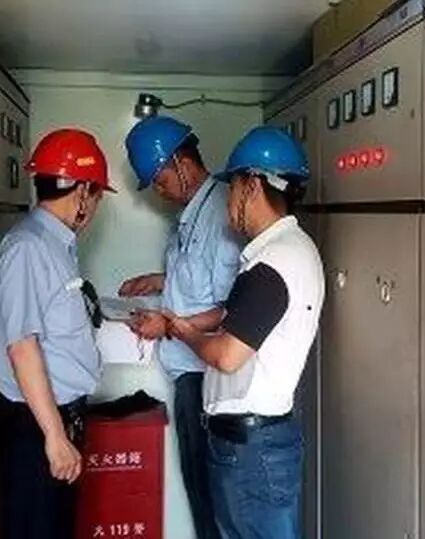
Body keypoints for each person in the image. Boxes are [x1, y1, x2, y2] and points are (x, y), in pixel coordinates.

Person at [165, 126, 324, 539]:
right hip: (256, 443)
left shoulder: (273, 263)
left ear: (251, 185)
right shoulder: (287, 251)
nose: (228, 201)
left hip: (252, 451)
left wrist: (184, 334)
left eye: (232, 187)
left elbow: (227, 355)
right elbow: (237, 315)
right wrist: (187, 323)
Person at [0, 128, 116, 539]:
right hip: (36, 428)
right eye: (96, 196)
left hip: (58, 421)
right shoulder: (27, 248)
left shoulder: (55, 244)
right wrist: (55, 436)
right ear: (81, 192)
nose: (94, 208)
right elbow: (22, 347)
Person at [119, 116, 239, 539]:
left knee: (209, 495)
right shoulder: (194, 213)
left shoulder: (221, 212)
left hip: (205, 377)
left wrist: (168, 325)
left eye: (160, 178)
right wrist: (159, 281)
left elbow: (230, 307)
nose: (158, 189)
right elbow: (199, 281)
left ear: (182, 163)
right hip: (188, 374)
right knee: (199, 487)